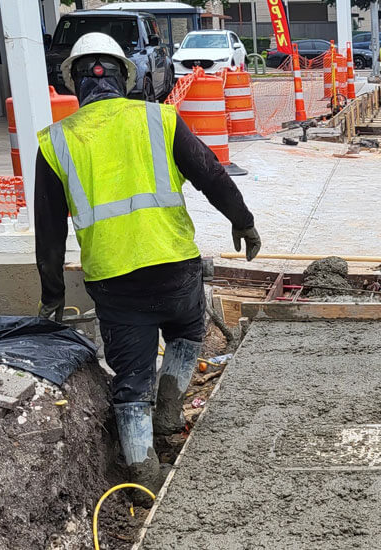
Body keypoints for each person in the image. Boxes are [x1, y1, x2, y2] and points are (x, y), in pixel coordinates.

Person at [34, 33, 262, 502]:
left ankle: (143, 475)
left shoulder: (56, 143)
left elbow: (49, 231)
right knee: (186, 333)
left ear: (76, 83)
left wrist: (53, 295)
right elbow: (211, 173)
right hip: (174, 266)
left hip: (116, 283)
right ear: (125, 76)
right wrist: (244, 222)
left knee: (131, 381)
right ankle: (170, 408)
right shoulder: (159, 119)